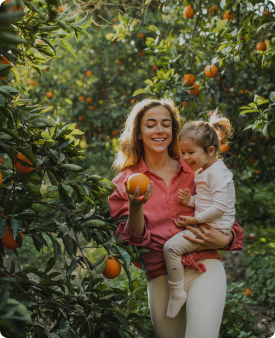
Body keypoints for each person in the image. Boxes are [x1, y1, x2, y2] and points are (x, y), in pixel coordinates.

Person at [108, 98, 244, 338]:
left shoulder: (194, 168)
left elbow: (225, 216)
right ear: (138, 132)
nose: (159, 130)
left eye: (166, 124)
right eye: (151, 124)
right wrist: (135, 205)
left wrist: (224, 239)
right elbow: (133, 240)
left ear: (173, 130)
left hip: (203, 266)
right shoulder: (125, 182)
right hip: (161, 274)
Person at [164, 114, 235, 319]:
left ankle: (177, 293)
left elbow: (220, 207)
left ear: (210, 151)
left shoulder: (218, 173)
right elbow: (208, 201)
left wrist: (194, 220)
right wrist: (190, 201)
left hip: (213, 228)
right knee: (172, 248)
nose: (185, 158)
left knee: (170, 248)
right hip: (208, 225)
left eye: (190, 152)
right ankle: (179, 292)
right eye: (183, 152)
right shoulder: (204, 170)